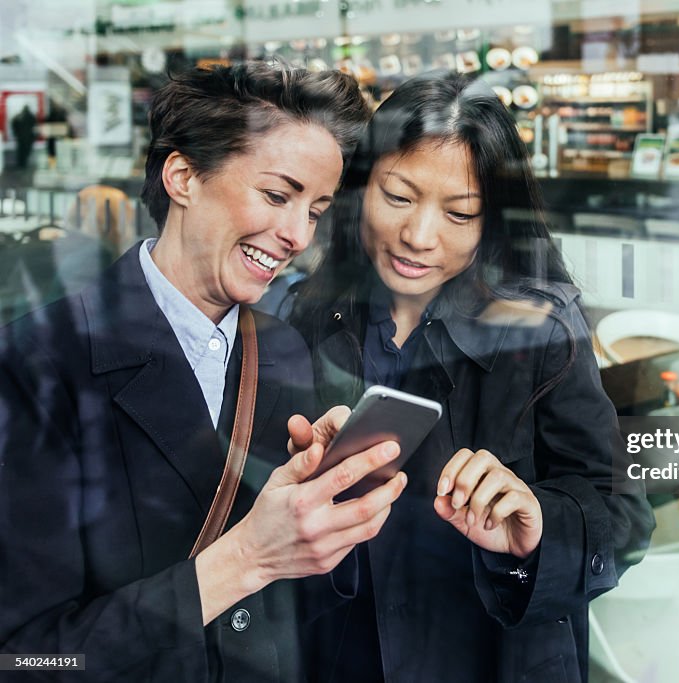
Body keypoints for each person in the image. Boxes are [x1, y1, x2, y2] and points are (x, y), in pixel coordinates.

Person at [0, 63, 408, 682]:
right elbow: (26, 659)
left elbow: (297, 620)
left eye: (316, 209)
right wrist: (244, 559)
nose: (298, 235)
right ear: (183, 175)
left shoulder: (284, 353)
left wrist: (330, 514)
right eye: (277, 195)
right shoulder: (36, 363)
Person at [290, 71, 654, 683]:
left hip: (491, 655)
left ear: (492, 223)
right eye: (399, 197)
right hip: (343, 651)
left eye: (460, 213)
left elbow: (626, 518)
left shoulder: (537, 327)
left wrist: (540, 521)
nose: (418, 237)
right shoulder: (309, 312)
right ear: (358, 190)